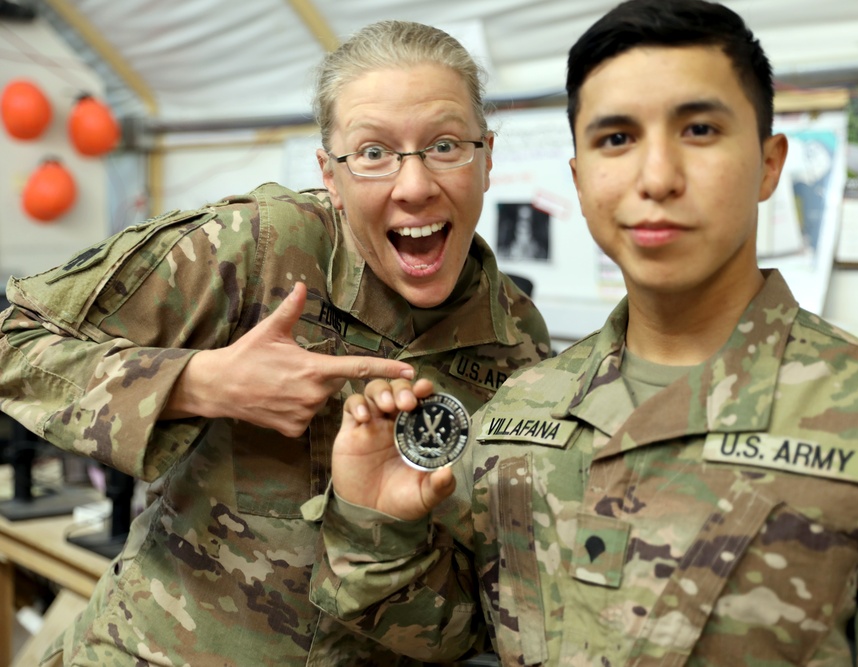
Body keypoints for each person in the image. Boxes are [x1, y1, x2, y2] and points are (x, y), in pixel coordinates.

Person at [309, 1, 858, 665]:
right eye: (617, 139)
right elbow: (454, 632)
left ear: (768, 163)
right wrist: (380, 525)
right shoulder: (518, 415)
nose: (658, 176)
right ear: (579, 180)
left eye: (699, 130)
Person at [0, 19, 550, 667]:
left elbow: (479, 617)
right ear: (330, 175)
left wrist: (378, 531)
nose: (414, 185)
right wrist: (200, 383)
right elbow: (16, 339)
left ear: (487, 158)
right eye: (373, 152)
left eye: (446, 145)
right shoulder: (258, 247)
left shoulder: (520, 350)